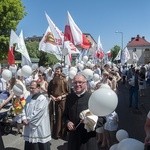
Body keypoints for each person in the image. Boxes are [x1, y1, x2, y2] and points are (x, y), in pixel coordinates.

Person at [63, 74, 105, 150]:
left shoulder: (92, 98)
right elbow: (65, 116)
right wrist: (67, 122)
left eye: (80, 82)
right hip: (73, 140)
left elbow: (102, 119)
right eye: (75, 82)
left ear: (85, 83)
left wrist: (89, 122)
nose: (77, 84)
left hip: (88, 140)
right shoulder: (69, 97)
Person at [22, 81, 51, 150]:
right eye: (30, 88)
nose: (31, 90)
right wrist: (23, 118)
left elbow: (38, 113)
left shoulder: (42, 99)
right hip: (29, 126)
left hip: (38, 127)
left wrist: (28, 120)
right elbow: (24, 108)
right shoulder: (29, 97)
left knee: (39, 146)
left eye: (33, 88)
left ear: (38, 88)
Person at [47, 66, 68, 139]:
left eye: (58, 71)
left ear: (61, 72)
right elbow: (49, 91)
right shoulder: (52, 81)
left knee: (60, 117)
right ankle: (54, 133)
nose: (56, 72)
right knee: (53, 117)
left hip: (61, 101)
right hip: (53, 101)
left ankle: (61, 134)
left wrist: (61, 97)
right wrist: (52, 96)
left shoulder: (64, 81)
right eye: (55, 71)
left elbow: (68, 92)